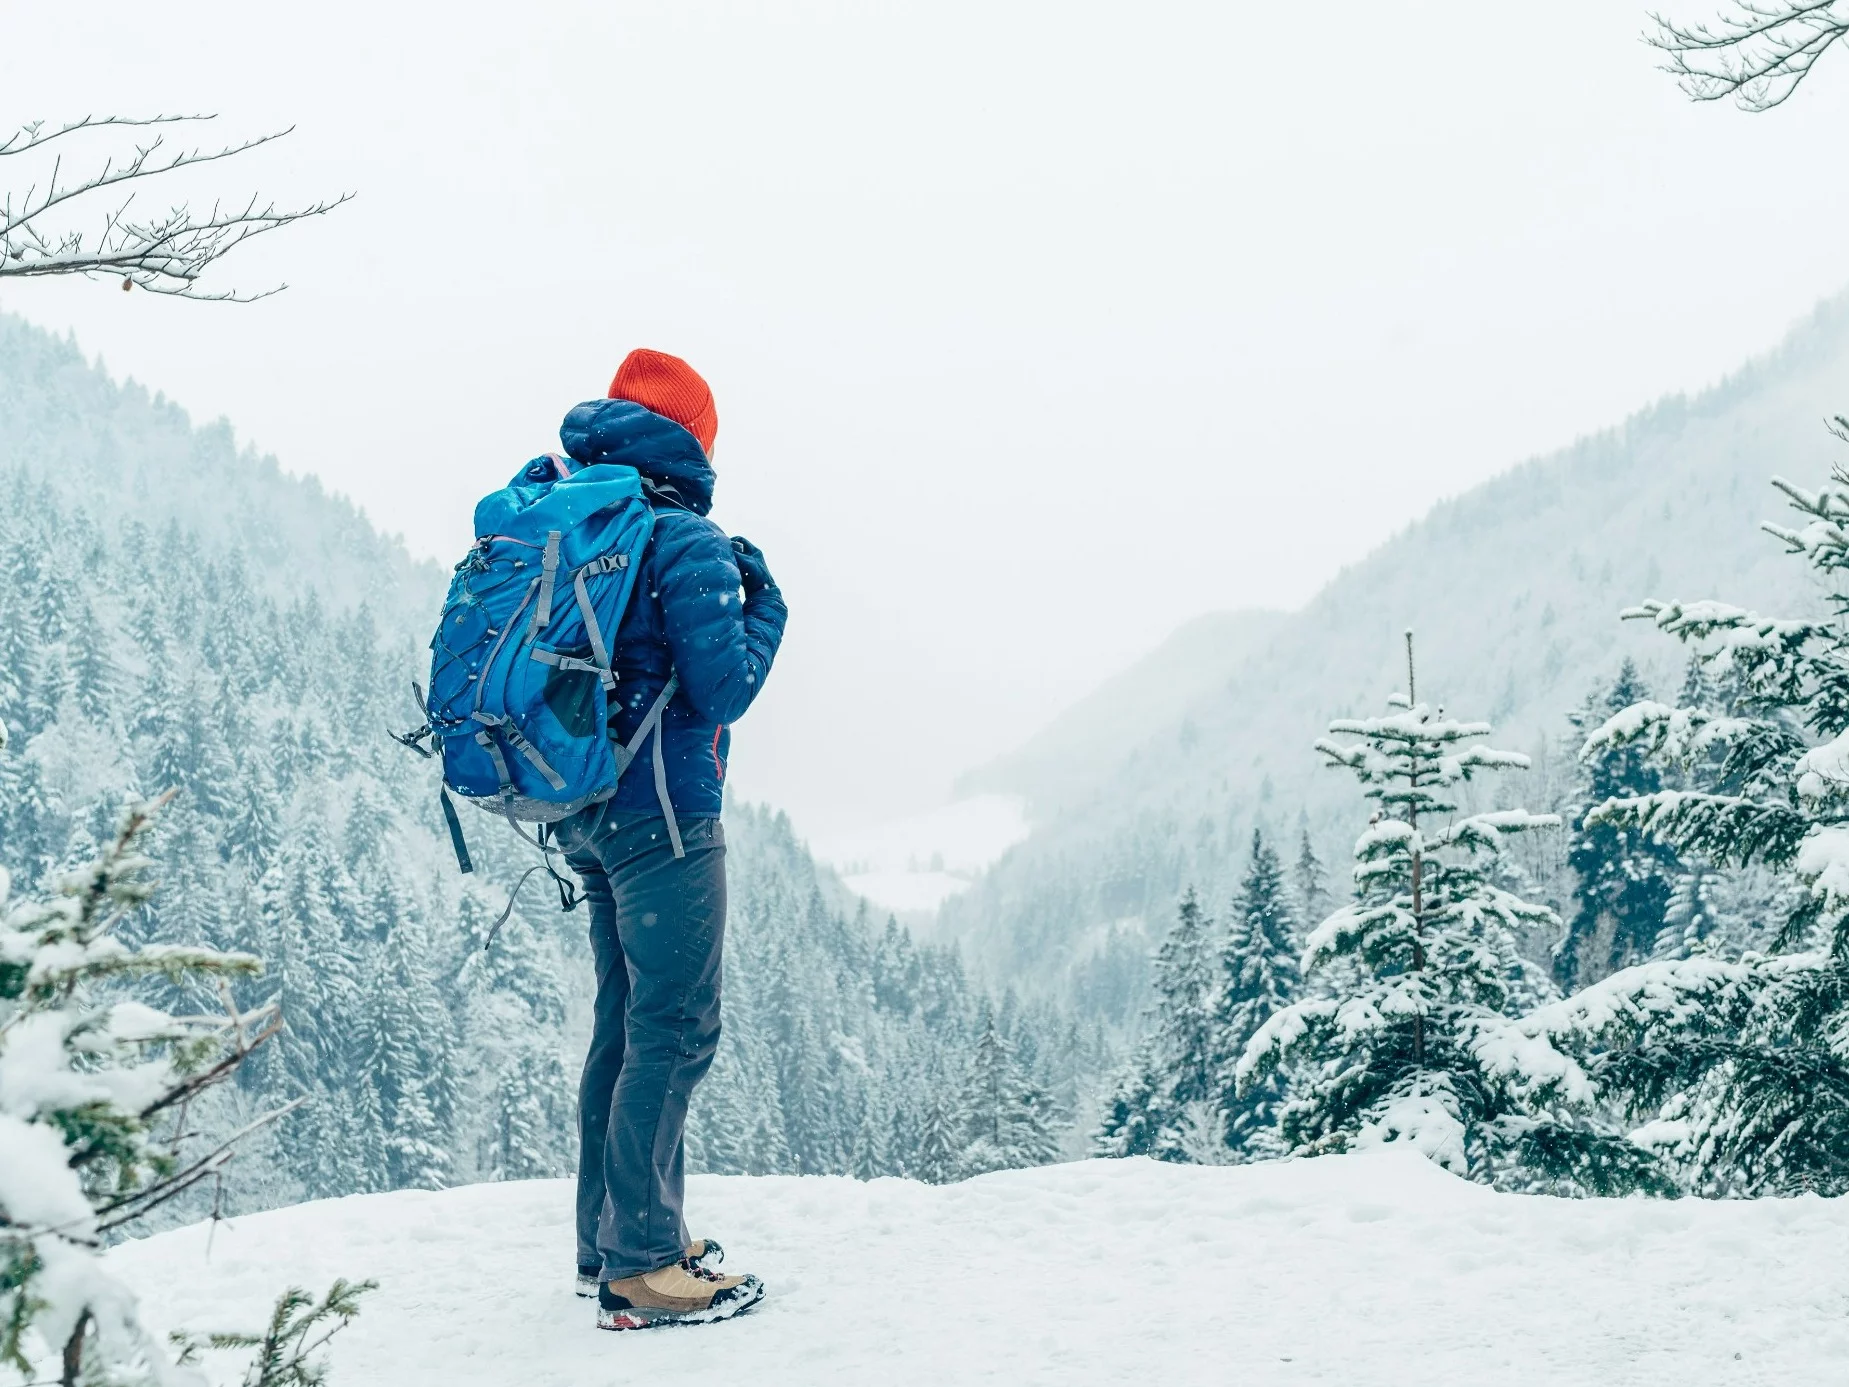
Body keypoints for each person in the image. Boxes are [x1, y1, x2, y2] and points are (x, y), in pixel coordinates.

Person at [556, 348, 787, 1331]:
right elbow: (722, 687)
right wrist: (767, 607)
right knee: (675, 1027)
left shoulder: (577, 519)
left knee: (624, 1025)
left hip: (587, 810)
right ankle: (644, 1264)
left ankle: (608, 1242)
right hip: (667, 819)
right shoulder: (683, 537)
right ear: (694, 437)